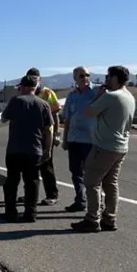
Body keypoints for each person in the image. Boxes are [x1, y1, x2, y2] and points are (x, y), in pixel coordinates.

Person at [71, 65, 136, 233]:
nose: (106, 80)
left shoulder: (111, 97)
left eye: (108, 77)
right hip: (121, 146)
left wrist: (99, 95)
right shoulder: (129, 96)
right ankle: (110, 218)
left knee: (91, 182)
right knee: (111, 183)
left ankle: (92, 219)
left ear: (115, 78)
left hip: (104, 146)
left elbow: (89, 111)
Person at [0, 75, 54, 222]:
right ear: (35, 88)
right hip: (34, 150)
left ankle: (10, 212)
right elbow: (49, 130)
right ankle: (31, 213)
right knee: (32, 182)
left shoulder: (16, 101)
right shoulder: (44, 104)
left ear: (23, 87)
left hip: (15, 150)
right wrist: (47, 150)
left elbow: (3, 118)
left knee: (12, 181)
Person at [16, 67, 61, 206]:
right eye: (30, 78)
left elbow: (55, 115)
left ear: (39, 79)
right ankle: (29, 194)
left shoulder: (47, 93)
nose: (33, 81)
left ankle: (52, 195)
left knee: (46, 165)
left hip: (46, 135)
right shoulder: (24, 94)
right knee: (28, 167)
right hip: (30, 136)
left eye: (35, 78)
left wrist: (56, 135)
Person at [61, 66, 97, 211]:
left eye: (87, 75)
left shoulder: (97, 91)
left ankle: (95, 204)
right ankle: (80, 200)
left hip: (91, 140)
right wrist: (65, 139)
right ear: (75, 78)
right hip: (74, 139)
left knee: (91, 173)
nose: (85, 78)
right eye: (82, 75)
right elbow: (67, 119)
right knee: (75, 171)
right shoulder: (72, 96)